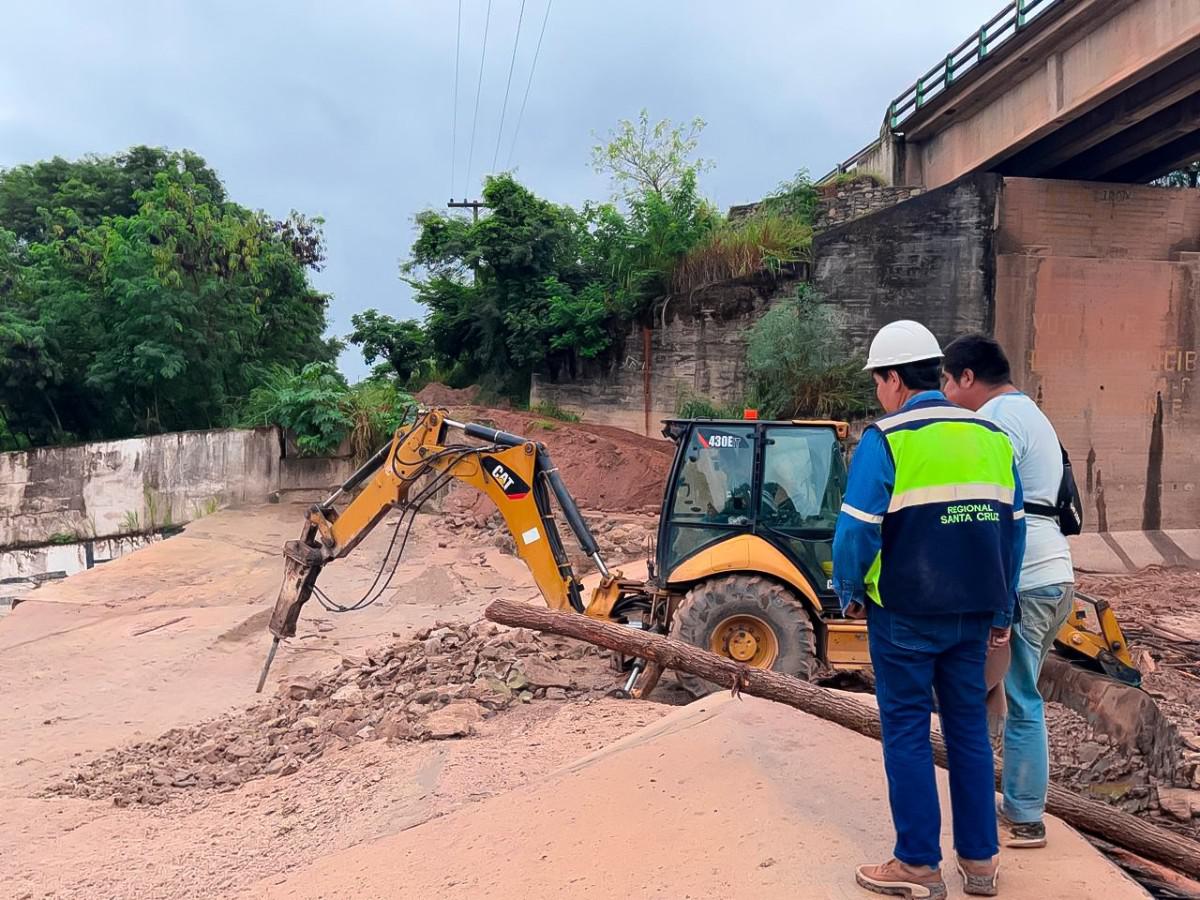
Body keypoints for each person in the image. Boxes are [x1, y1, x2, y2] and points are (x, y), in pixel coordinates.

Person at [833, 320, 1026, 899]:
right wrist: (1002, 612)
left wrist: (848, 593)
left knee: (909, 732)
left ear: (894, 378)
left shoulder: (888, 438)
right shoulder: (992, 439)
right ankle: (981, 862)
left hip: (906, 616)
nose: (878, 393)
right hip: (974, 615)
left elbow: (855, 533)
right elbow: (1013, 536)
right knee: (968, 730)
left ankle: (918, 863)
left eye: (878, 381)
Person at [942, 333, 1075, 851]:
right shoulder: (1030, 413)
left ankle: (1024, 818)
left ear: (968, 378)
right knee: (1011, 692)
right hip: (1055, 574)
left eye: (948, 382)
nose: (946, 393)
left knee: (1019, 696)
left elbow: (989, 512)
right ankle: (1012, 801)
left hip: (1025, 578)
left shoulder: (995, 422)